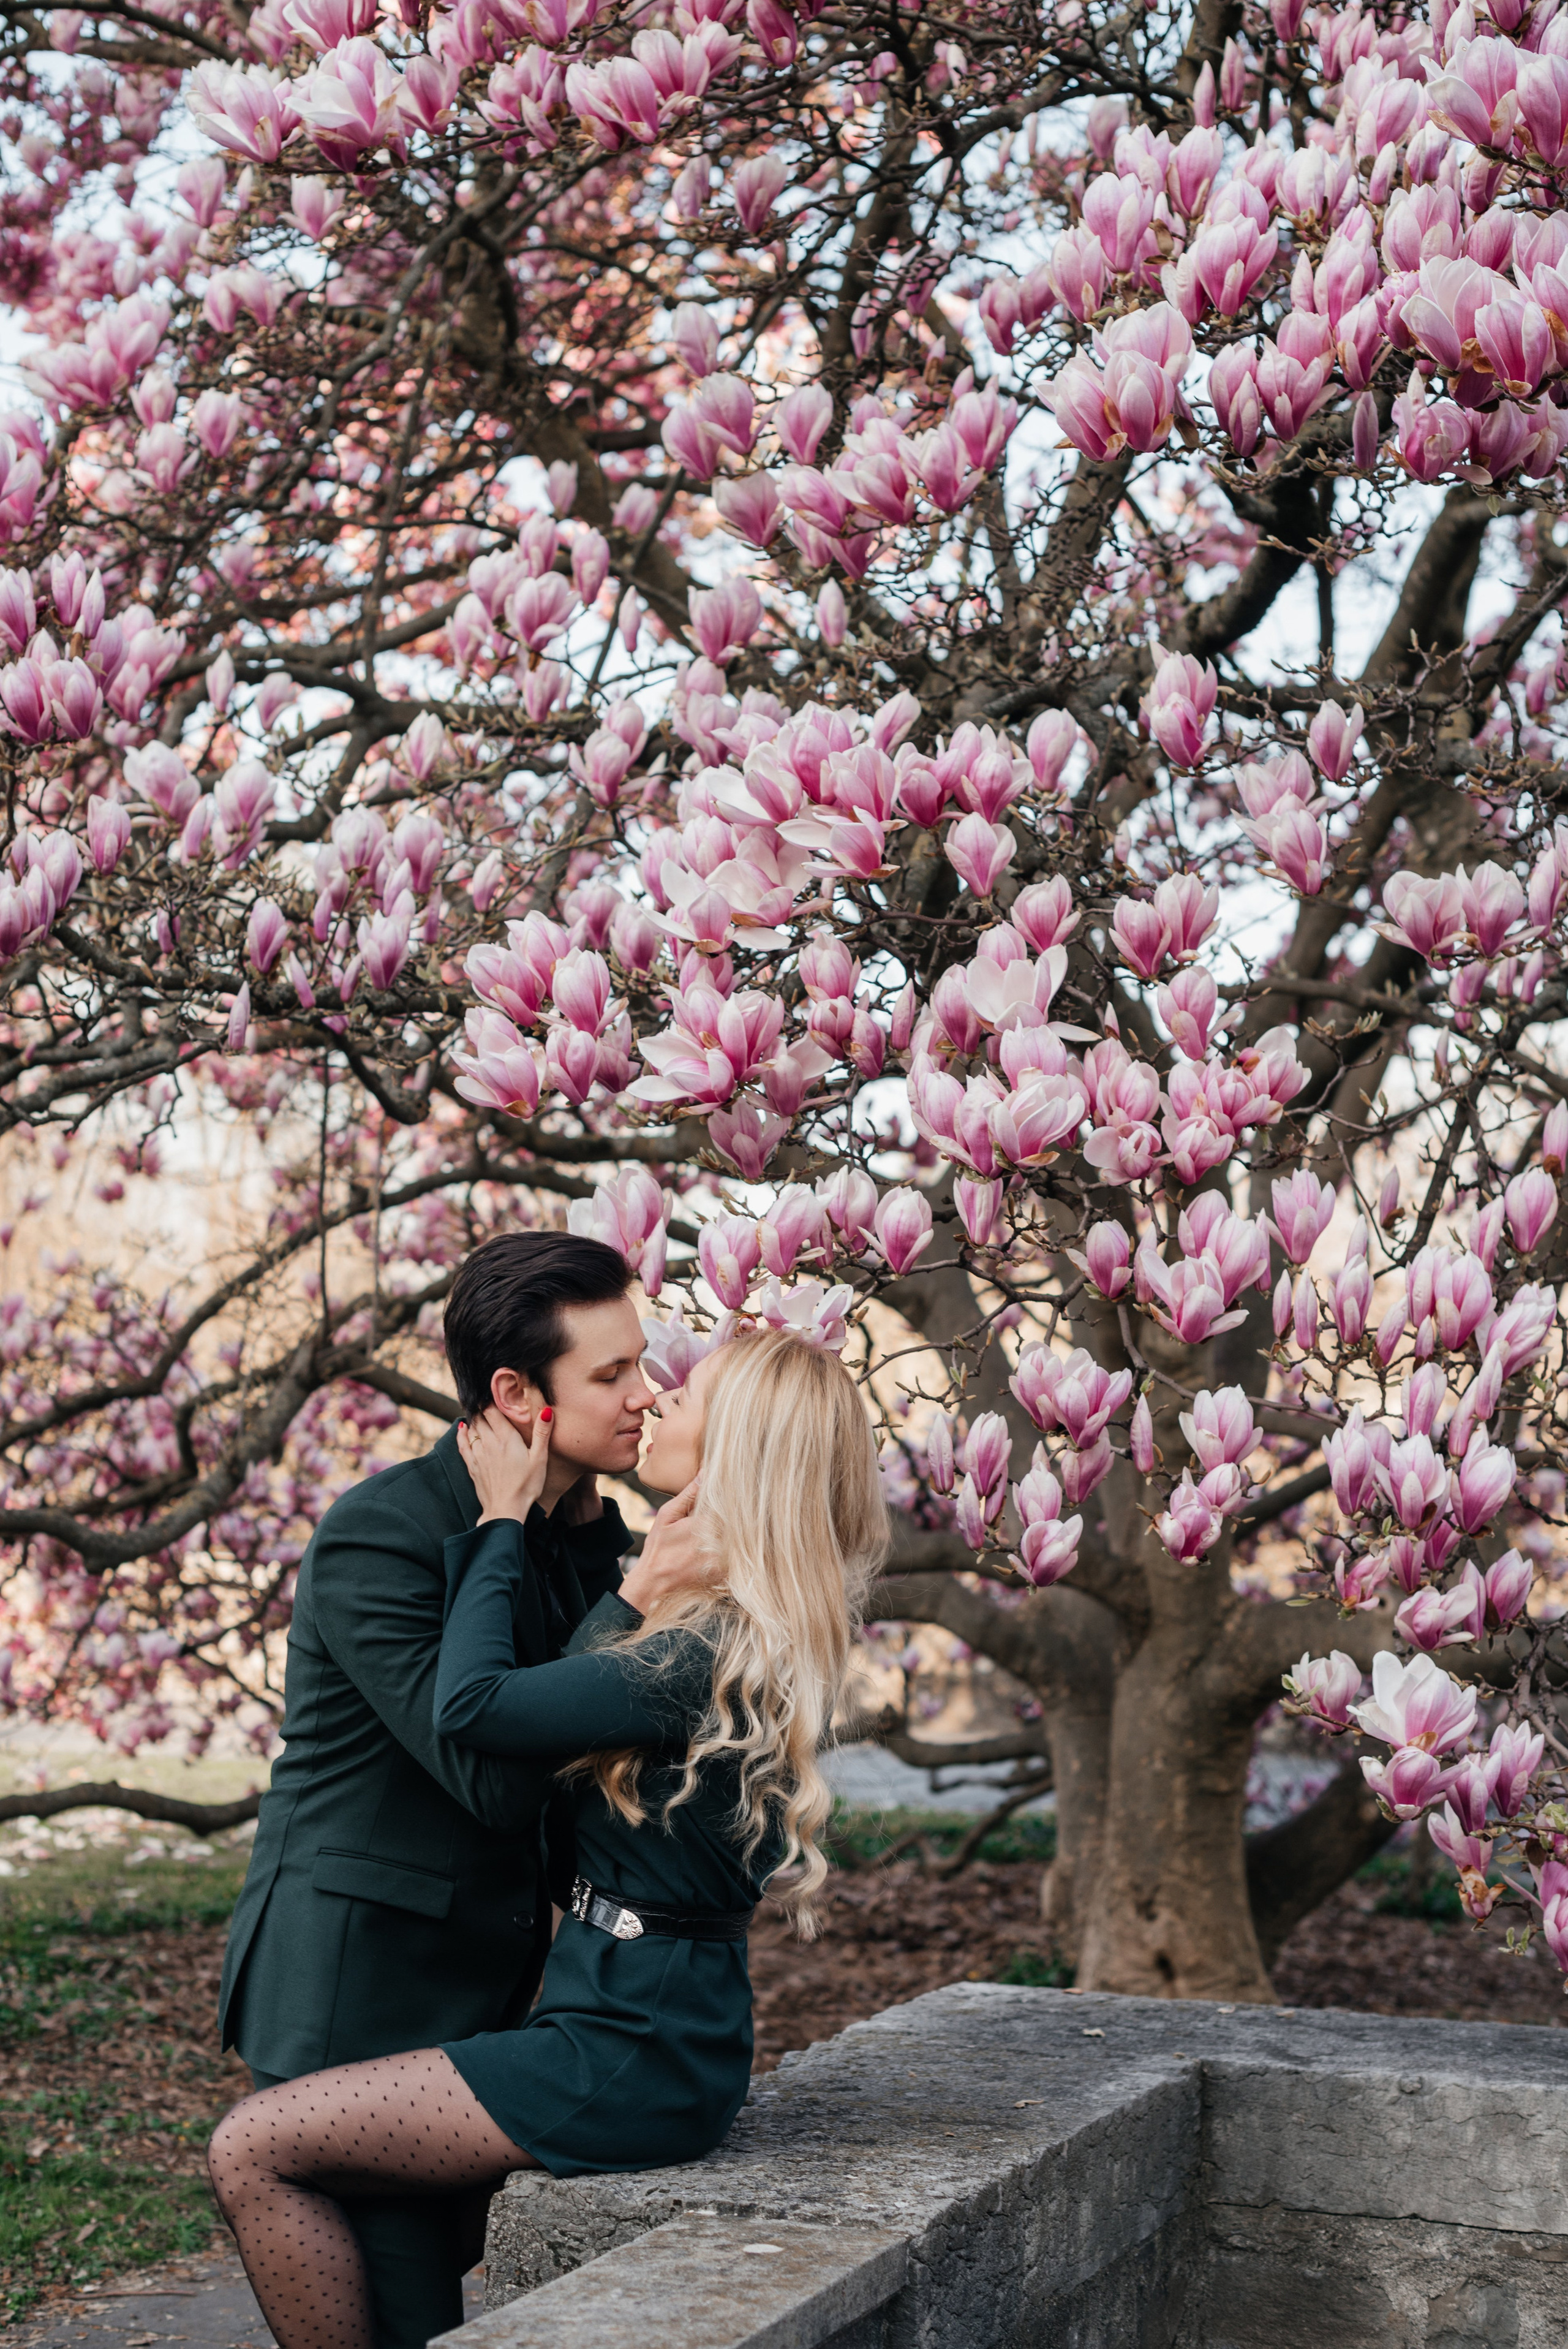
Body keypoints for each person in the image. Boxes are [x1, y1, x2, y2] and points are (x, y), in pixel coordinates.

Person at [207, 1326, 889, 2349]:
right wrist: (630, 1588)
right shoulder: (725, 1630)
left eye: (678, 1395)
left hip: (620, 2048)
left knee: (250, 2148)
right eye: (623, 1374)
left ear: (733, 1452)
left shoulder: (694, 1650)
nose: (652, 1399)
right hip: (640, 2032)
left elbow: (477, 1707)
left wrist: (496, 1518)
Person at [216, 1229, 684, 2349]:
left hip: (489, 1982)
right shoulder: (382, 1534)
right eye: (610, 1373)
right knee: (406, 2303)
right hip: (356, 1978)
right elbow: (485, 1774)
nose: (644, 1395)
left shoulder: (598, 1534)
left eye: (643, 1362)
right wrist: (502, 1526)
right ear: (518, 1394)